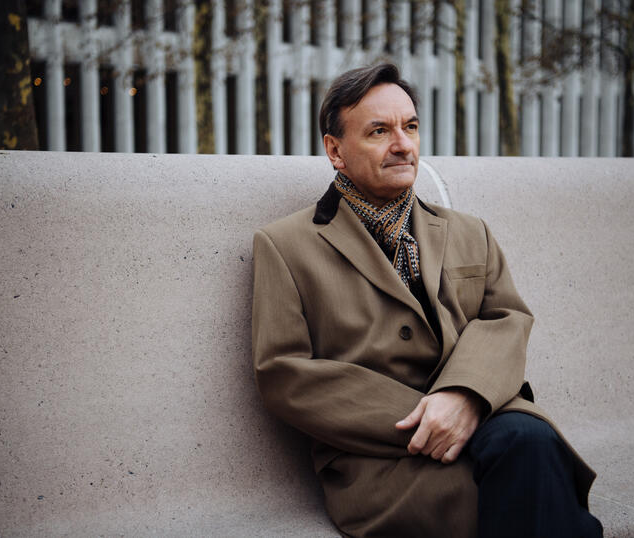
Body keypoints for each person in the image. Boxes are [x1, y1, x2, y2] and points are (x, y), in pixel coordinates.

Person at [252, 63, 603, 537]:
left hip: (488, 424)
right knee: (538, 485)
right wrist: (427, 418)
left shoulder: (468, 230)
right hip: (386, 462)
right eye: (379, 131)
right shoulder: (285, 244)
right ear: (335, 150)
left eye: (410, 126)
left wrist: (464, 397)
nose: (403, 144)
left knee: (529, 440)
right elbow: (284, 373)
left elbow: (507, 318)